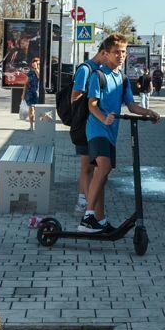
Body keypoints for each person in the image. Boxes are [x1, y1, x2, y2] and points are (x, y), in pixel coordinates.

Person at [81, 34, 160, 233]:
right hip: (96, 129)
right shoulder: (98, 75)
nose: (121, 55)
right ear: (106, 54)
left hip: (111, 132)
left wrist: (148, 112)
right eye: (117, 52)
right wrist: (104, 118)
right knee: (104, 167)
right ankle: (87, 218)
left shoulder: (122, 78)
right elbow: (91, 105)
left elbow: (132, 106)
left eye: (123, 52)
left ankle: (100, 219)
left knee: (103, 174)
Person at [69, 51, 102, 214]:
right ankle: (82, 201)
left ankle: (87, 199)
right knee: (86, 166)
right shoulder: (86, 69)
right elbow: (74, 96)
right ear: (103, 52)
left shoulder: (100, 69)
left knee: (93, 166)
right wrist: (80, 117)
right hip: (84, 124)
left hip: (95, 124)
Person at [24, 58, 41, 130]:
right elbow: (26, 83)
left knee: (38, 110)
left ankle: (38, 125)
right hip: (30, 93)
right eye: (34, 62)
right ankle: (31, 126)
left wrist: (36, 68)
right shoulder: (30, 72)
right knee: (31, 109)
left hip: (37, 93)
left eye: (37, 63)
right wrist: (23, 94)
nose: (35, 64)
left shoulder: (40, 71)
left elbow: (39, 77)